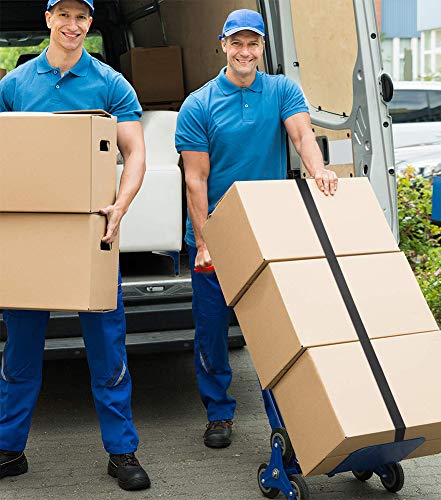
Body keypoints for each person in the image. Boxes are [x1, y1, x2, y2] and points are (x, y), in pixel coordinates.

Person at [0, 0, 150, 491]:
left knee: (107, 349)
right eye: (63, 15)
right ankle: (8, 448)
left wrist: (121, 205)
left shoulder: (110, 83)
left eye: (81, 17)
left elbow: (135, 151)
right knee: (19, 353)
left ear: (90, 23)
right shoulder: (14, 86)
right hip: (31, 237)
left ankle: (122, 452)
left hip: (93, 234)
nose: (73, 25)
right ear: (48, 19)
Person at [175, 9, 338, 449]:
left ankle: (284, 421)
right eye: (237, 43)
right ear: (223, 45)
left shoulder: (282, 89)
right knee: (212, 331)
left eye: (252, 44)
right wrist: (204, 242)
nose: (244, 52)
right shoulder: (199, 104)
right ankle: (218, 413)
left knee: (273, 332)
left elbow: (302, 136)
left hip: (268, 230)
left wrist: (319, 170)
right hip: (217, 234)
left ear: (262, 47)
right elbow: (196, 180)